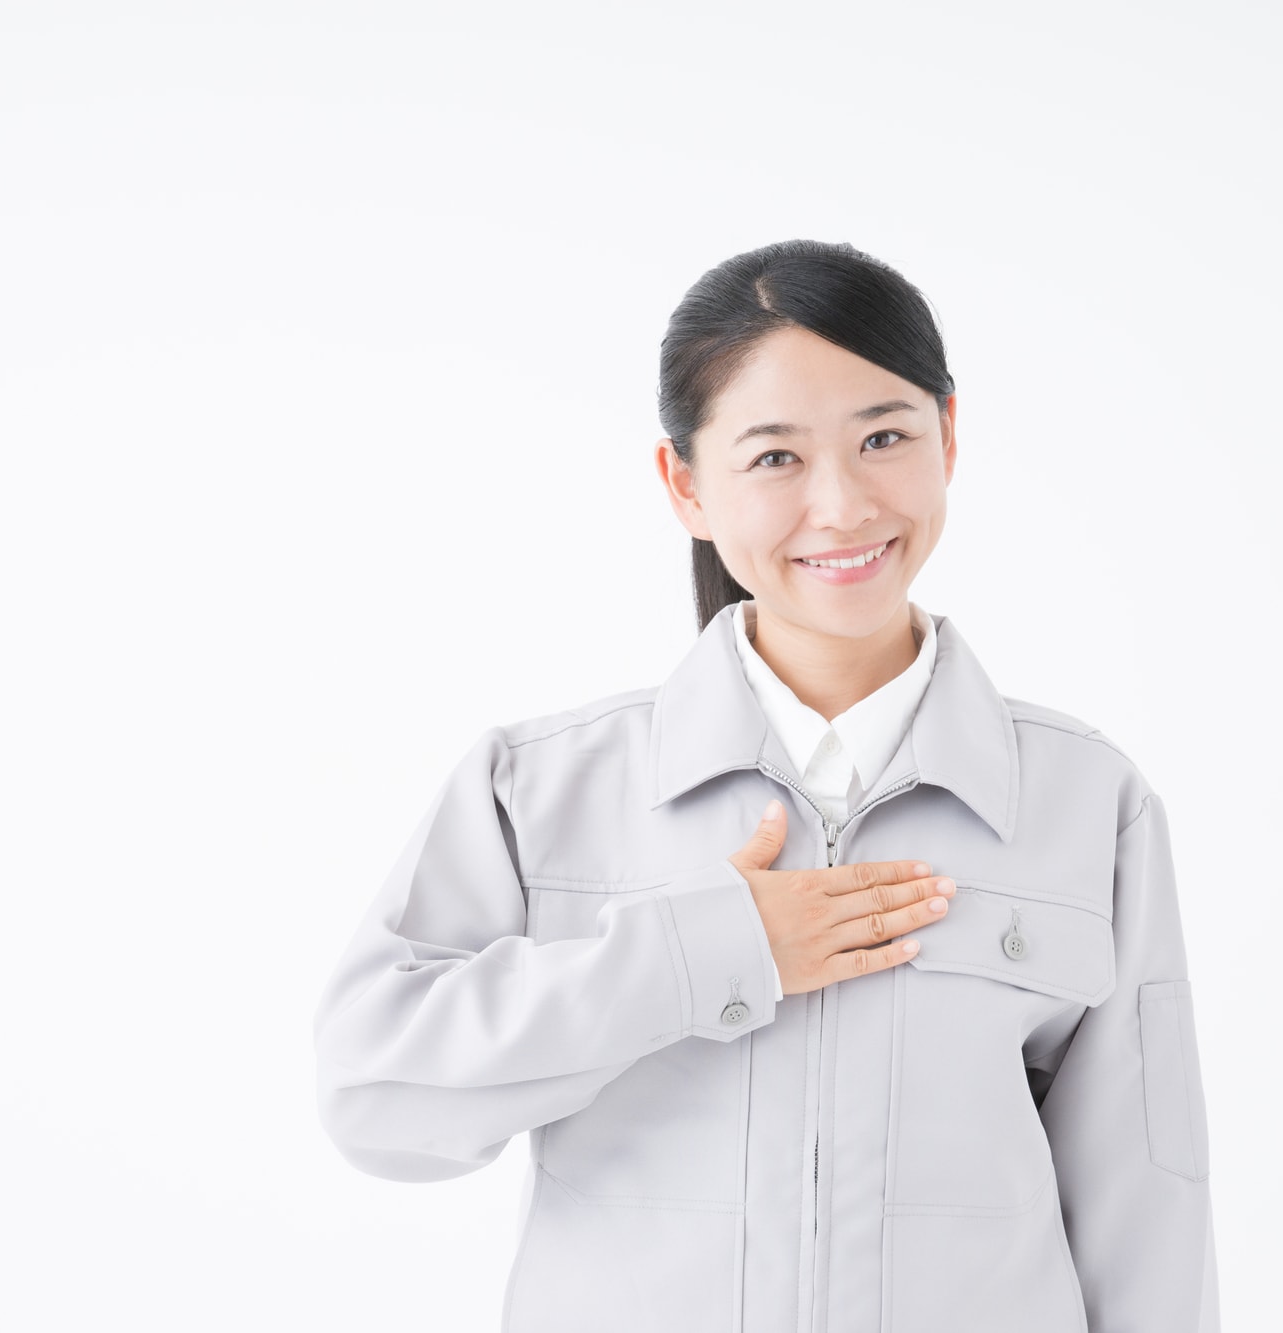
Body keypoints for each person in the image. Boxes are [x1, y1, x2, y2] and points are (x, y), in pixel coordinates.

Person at [312, 239, 1221, 1332]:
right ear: (686, 485)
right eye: (775, 456)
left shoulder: (1086, 800)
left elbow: (1147, 1215)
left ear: (947, 438)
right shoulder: (539, 787)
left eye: (883, 437)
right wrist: (701, 953)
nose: (840, 506)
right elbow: (376, 1102)